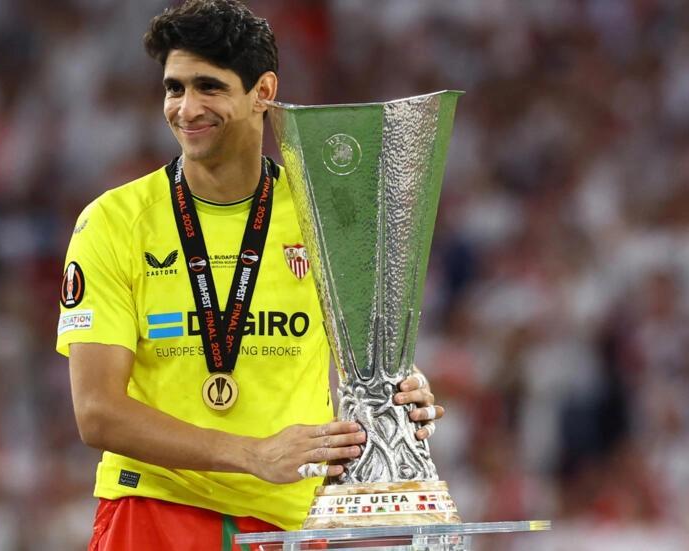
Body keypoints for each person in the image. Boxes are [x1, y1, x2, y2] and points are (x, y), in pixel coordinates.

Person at [56, 1, 446, 549]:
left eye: (208, 87)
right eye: (174, 88)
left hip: (288, 521)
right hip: (154, 509)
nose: (186, 108)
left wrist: (399, 391)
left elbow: (362, 357)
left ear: (263, 91)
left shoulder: (326, 218)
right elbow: (97, 412)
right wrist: (252, 454)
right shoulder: (113, 222)